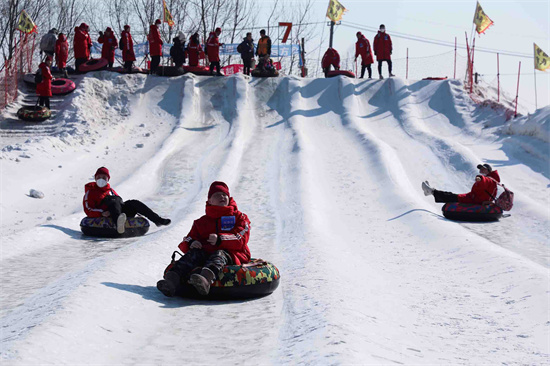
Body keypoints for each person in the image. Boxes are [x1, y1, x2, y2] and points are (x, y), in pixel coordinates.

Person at [157, 181, 251, 297]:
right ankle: (172, 281)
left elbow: (241, 238)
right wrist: (192, 243)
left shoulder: (239, 217)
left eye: (224, 194)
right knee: (194, 254)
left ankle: (205, 280)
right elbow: (187, 239)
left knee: (219, 254)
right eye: (217, 195)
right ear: (210, 201)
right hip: (206, 254)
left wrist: (220, 239)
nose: (222, 197)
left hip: (232, 254)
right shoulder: (201, 222)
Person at [83, 167, 171, 234]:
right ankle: (119, 225)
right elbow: (88, 209)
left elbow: (119, 203)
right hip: (107, 214)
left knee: (134, 202)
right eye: (99, 177)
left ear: (107, 179)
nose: (101, 179)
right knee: (113, 201)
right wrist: (102, 213)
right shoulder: (91, 192)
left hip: (119, 211)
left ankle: (157, 220)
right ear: (95, 178)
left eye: (103, 177)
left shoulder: (111, 191)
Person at [422, 164, 501, 205]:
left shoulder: (490, 180)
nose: (481, 170)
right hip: (473, 197)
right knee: (453, 196)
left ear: (489, 170)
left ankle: (431, 191)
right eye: (480, 169)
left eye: (483, 169)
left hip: (475, 200)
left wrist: (479, 178)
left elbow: (485, 181)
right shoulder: (492, 180)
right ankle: (431, 192)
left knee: (451, 196)